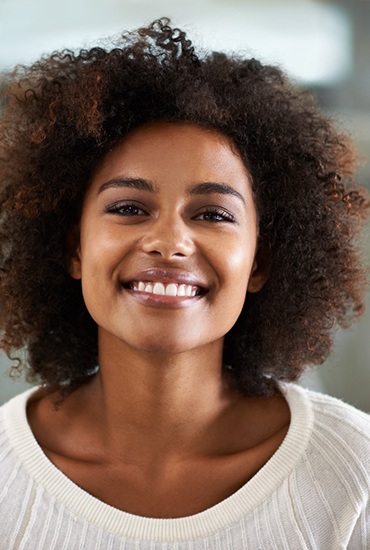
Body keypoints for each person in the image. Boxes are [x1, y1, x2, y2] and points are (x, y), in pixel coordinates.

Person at [0, 17, 369, 549]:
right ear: (73, 249)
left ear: (260, 263)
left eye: (214, 214)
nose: (169, 242)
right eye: (129, 207)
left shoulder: (355, 476)